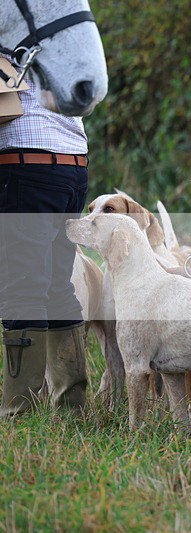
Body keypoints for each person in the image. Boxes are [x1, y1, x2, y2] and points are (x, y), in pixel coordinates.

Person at [0, 68, 90, 417]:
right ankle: (72, 409)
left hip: (24, 161)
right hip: (73, 163)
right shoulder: (56, 33)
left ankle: (17, 412)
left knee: (24, 289)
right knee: (56, 286)